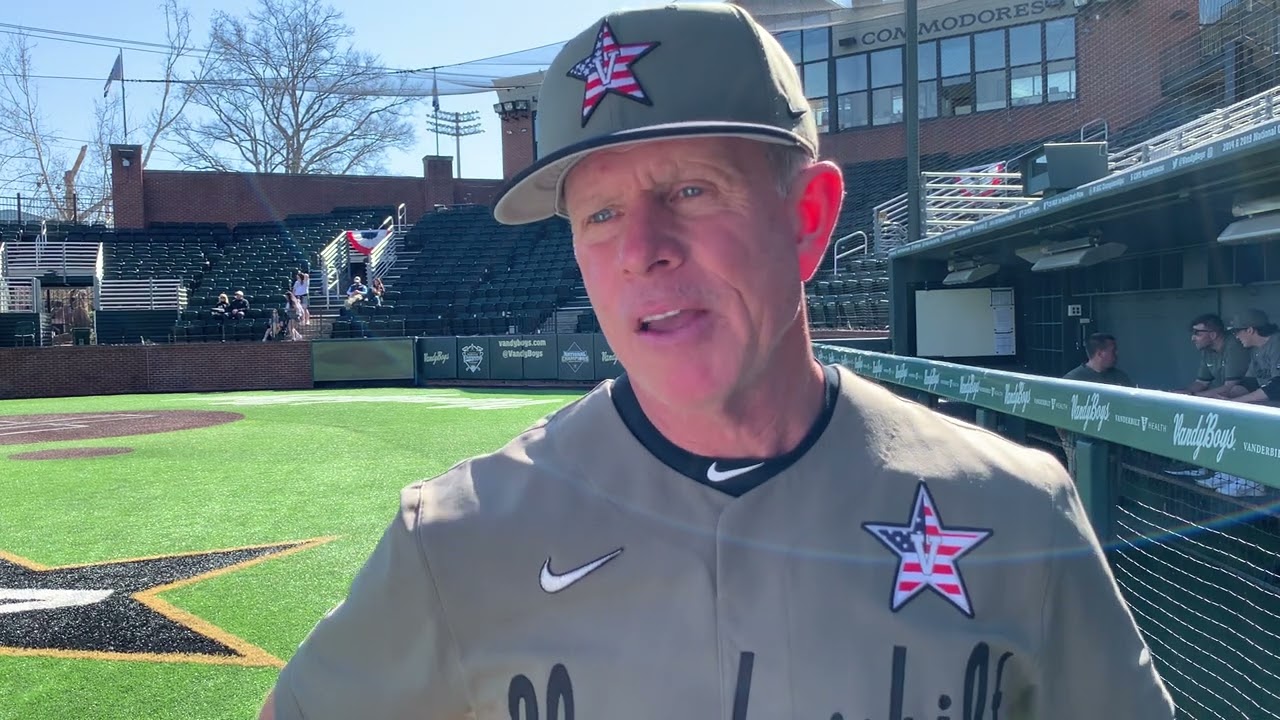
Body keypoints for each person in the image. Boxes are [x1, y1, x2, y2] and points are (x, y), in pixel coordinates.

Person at [260, 5, 1174, 719]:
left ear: (808, 219)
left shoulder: (1017, 512)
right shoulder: (458, 539)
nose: (641, 251)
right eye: (600, 214)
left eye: (692, 190)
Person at [1173, 313, 1249, 398]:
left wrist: (1194, 396)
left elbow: (1230, 386)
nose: (1192, 338)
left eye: (1197, 334)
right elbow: (1201, 382)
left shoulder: (1233, 346)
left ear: (1213, 335)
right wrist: (1185, 393)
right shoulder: (1207, 349)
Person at [1225, 308, 1280, 405]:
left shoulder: (1277, 343)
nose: (1236, 337)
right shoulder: (1256, 349)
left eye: (1236, 332)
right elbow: (1250, 382)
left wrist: (1235, 401)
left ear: (1250, 330)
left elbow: (1277, 386)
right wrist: (1228, 396)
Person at [1063, 332, 1136, 387]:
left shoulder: (1120, 377)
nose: (1117, 353)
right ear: (1100, 354)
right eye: (1113, 350)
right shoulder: (1073, 380)